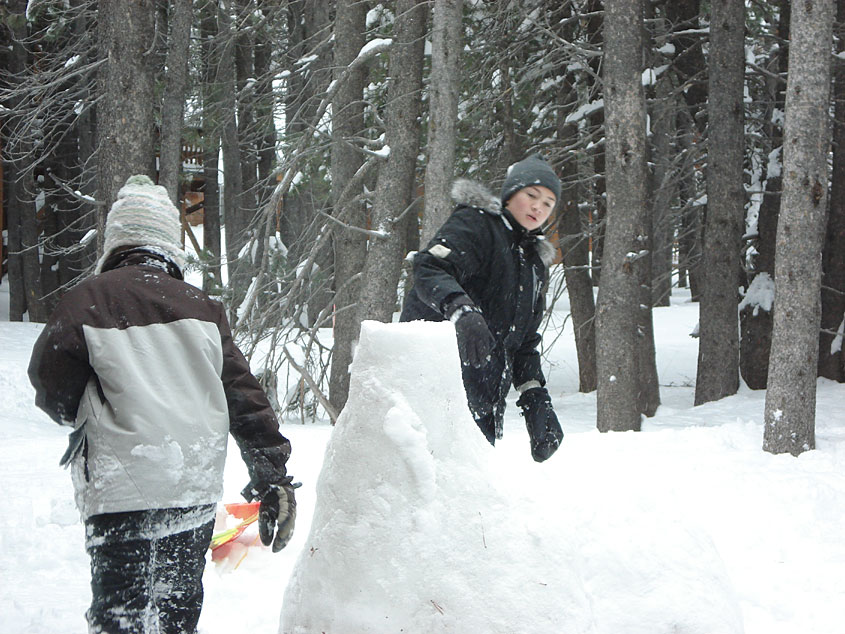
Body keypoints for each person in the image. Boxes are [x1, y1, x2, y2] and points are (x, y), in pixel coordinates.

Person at [28, 175, 296, 634]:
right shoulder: (202, 306)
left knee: (122, 616)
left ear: (117, 242)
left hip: (120, 489)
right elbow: (243, 396)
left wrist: (87, 409)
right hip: (192, 484)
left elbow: (49, 381)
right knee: (176, 614)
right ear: (170, 245)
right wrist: (273, 476)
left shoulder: (87, 301)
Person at [400, 154, 564, 462]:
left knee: (466, 489)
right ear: (511, 193)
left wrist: (535, 398)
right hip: (426, 394)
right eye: (531, 195)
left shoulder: (534, 264)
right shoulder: (478, 224)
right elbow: (429, 267)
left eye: (548, 203)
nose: (538, 207)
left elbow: (524, 342)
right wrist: (462, 311)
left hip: (481, 406)